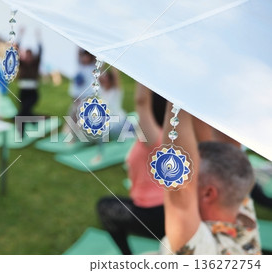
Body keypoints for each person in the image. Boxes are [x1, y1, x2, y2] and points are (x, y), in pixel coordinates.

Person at [160, 102, 260, 255]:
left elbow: (180, 187)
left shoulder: (204, 250)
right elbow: (228, 141)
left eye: (192, 176)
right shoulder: (242, 211)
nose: (189, 178)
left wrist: (176, 95)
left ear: (208, 193)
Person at [97, 83, 166, 254]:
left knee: (104, 206)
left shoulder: (153, 138)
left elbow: (141, 102)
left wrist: (143, 73)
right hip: (169, 208)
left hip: (157, 213)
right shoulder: (172, 134)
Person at [99, 67, 125, 138]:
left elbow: (116, 76)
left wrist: (113, 63)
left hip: (118, 120)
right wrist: (102, 63)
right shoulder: (102, 91)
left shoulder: (116, 90)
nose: (104, 78)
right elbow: (98, 75)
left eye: (106, 77)